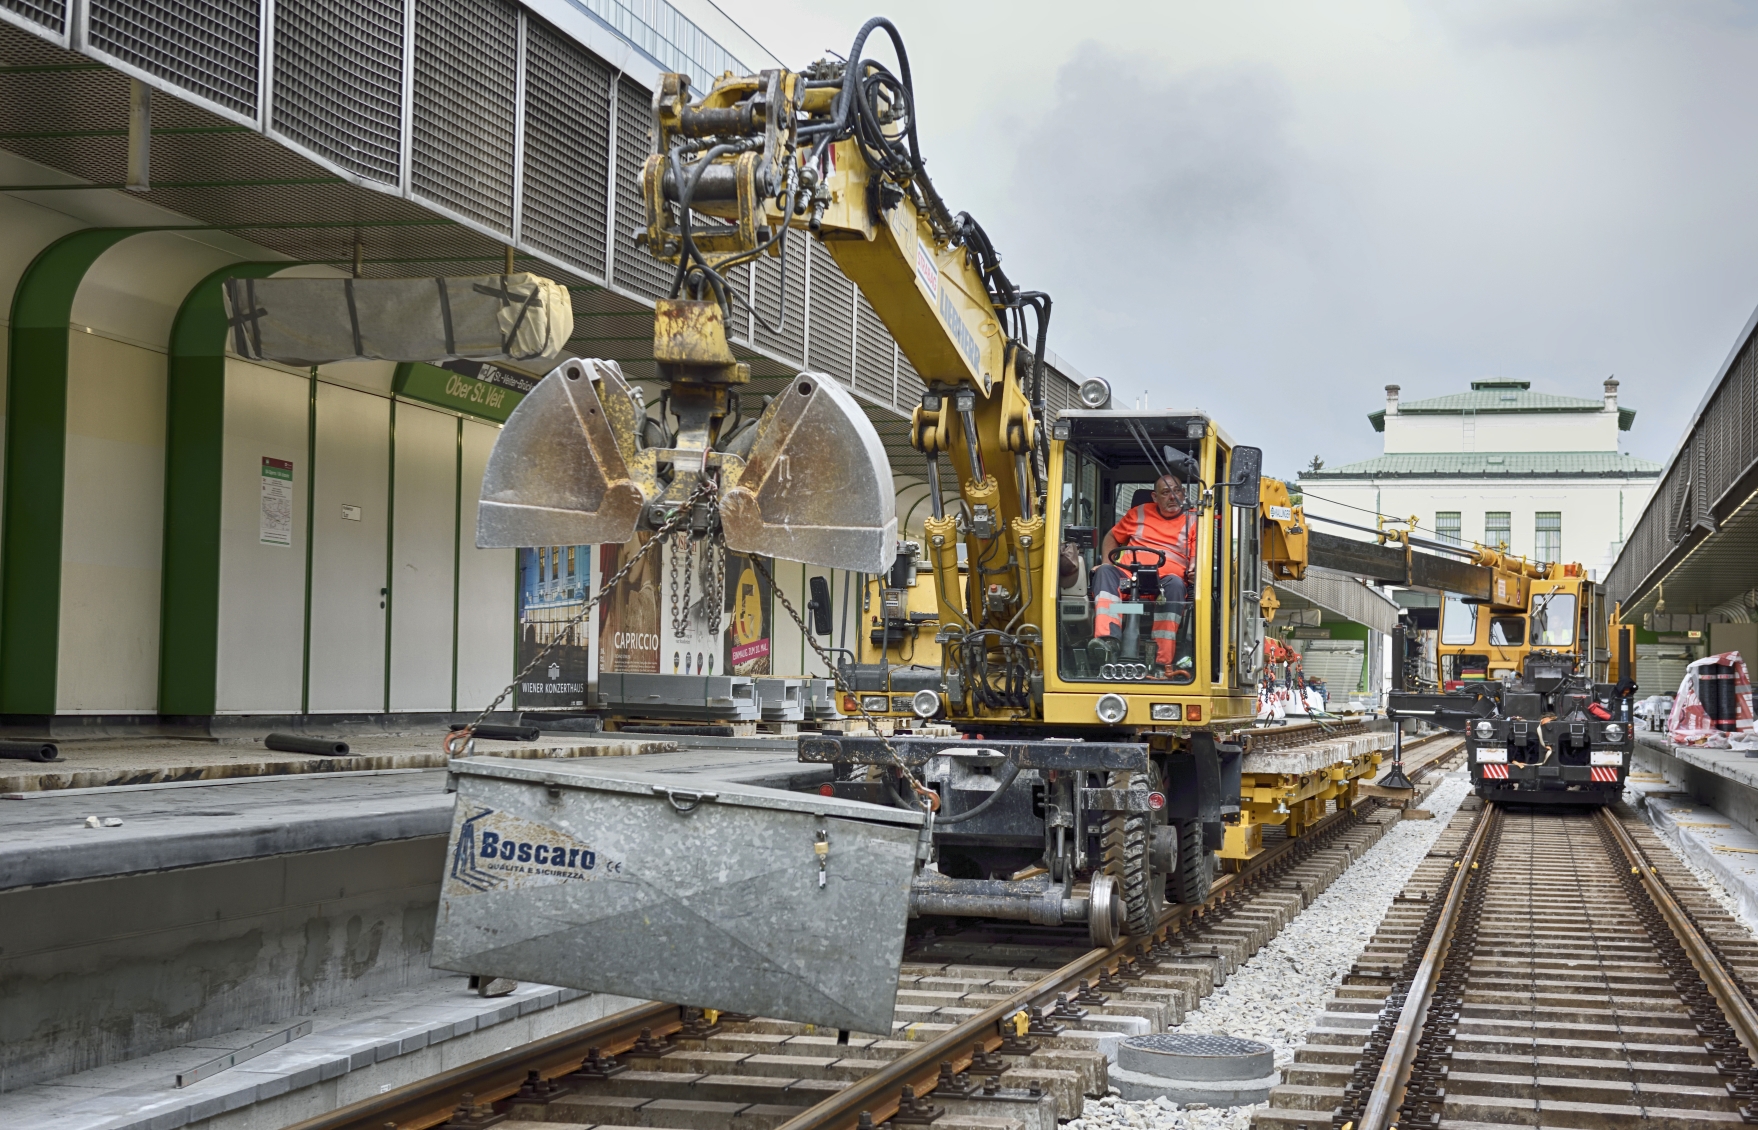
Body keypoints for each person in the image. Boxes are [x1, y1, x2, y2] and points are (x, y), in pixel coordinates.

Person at [1085, 467, 1199, 670]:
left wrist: (1194, 570)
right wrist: (1106, 561)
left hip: (1164, 587)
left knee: (1174, 583)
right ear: (1155, 497)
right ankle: (1107, 642)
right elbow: (1112, 537)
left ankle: (1161, 661)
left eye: (1177, 491)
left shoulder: (1194, 519)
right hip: (1128, 581)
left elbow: (1197, 554)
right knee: (1104, 572)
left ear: (1184, 493)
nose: (1173, 497)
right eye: (1165, 492)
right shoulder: (1139, 512)